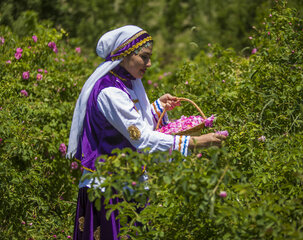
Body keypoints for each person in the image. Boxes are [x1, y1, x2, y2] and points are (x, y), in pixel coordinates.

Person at [67, 25, 226, 239]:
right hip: (108, 190)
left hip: (125, 182)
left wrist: (157, 107)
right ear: (124, 55)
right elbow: (140, 137)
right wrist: (195, 142)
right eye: (144, 57)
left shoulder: (125, 83)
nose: (149, 64)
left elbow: (130, 122)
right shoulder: (110, 92)